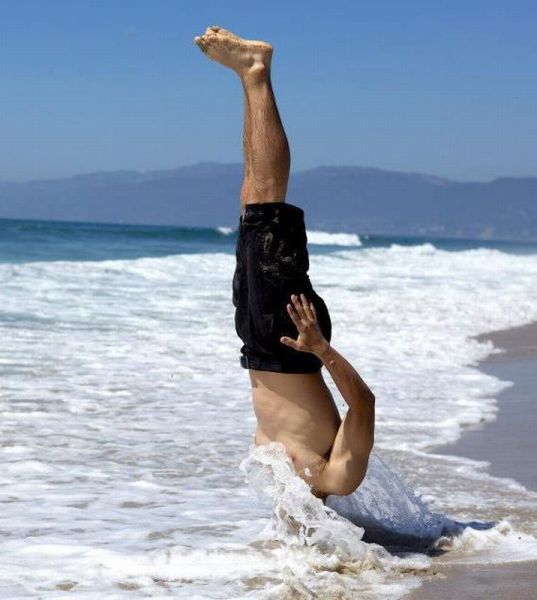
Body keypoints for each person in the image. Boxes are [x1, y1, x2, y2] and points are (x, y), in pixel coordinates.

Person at [194, 26, 375, 501]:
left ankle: (248, 78)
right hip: (296, 340)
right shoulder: (336, 479)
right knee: (266, 206)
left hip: (260, 344)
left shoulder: (287, 485)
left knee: (251, 207)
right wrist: (320, 348)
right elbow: (364, 405)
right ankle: (255, 71)